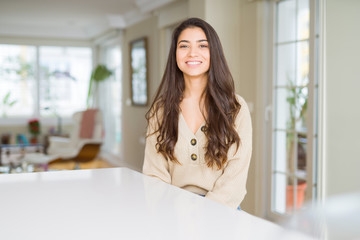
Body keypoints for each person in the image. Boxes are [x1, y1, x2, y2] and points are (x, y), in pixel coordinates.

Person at [142, 17, 252, 210]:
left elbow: (235, 178)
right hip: (172, 212)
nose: (192, 53)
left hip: (222, 213)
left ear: (214, 53)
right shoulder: (161, 110)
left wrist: (205, 216)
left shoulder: (235, 107)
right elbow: (154, 176)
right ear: (175, 54)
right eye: (184, 46)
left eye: (203, 46)